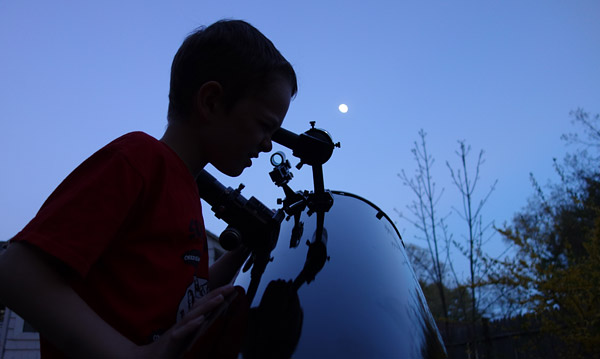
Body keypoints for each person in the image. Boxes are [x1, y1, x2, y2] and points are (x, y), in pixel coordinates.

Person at [0, 19, 297, 358]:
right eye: (265, 126)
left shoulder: (186, 191)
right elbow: (16, 271)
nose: (268, 145)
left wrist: (238, 256)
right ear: (211, 102)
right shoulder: (140, 159)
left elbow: (178, 300)